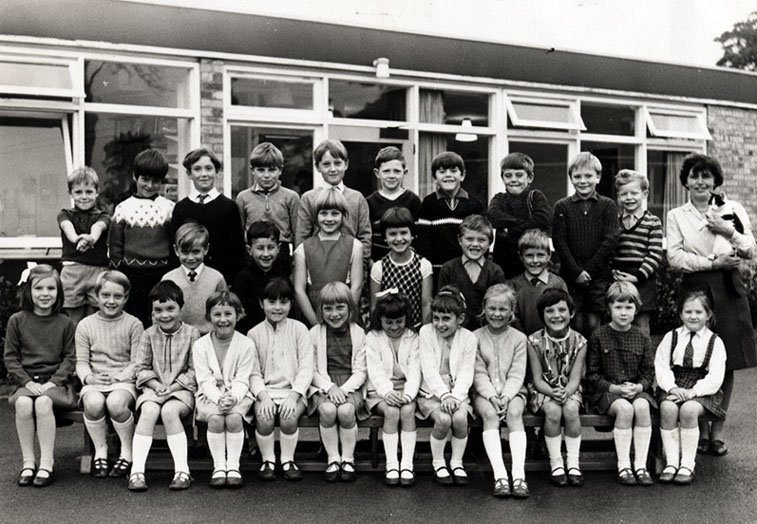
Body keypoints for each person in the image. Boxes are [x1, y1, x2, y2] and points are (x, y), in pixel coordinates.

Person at [666, 153, 756, 457]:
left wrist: (728, 230)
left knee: (726, 359)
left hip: (728, 289)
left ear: (715, 180)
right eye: (694, 176)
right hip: (697, 288)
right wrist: (710, 261)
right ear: (686, 182)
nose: (700, 182)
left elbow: (749, 249)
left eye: (706, 176)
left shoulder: (732, 209)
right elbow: (675, 258)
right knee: (697, 357)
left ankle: (717, 432)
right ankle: (699, 429)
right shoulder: (677, 215)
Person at [4, 264, 76, 488]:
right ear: (29, 291)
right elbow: (11, 358)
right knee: (24, 404)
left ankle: (46, 464)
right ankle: (28, 462)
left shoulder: (65, 322)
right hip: (27, 382)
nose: (45, 294)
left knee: (43, 403)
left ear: (58, 292)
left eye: (51, 289)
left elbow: (70, 358)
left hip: (56, 384)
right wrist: (25, 382)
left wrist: (53, 382)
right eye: (39, 288)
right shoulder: (17, 320)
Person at [128, 281, 200, 492]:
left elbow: (194, 370)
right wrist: (156, 384)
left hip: (181, 390)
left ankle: (182, 470)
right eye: (158, 310)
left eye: (170, 309)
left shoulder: (192, 334)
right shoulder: (148, 334)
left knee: (169, 411)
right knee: (148, 410)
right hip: (154, 387)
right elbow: (140, 367)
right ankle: (137, 471)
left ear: (181, 308)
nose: (164, 315)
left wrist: (174, 387)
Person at [586, 282, 656, 486]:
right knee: (625, 409)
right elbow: (592, 374)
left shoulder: (642, 337)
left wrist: (640, 387)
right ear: (609, 308)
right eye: (618, 307)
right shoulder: (599, 335)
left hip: (636, 389)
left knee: (642, 406)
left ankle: (640, 465)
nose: (623, 313)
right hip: (608, 391)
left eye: (629, 307)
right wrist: (614, 388)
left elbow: (649, 372)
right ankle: (624, 465)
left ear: (637, 309)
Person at [75, 271, 143, 478]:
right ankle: (101, 451)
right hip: (95, 380)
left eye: (117, 296)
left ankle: (127, 452)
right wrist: (89, 378)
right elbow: (82, 362)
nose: (111, 301)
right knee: (94, 403)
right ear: (97, 296)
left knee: (115, 403)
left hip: (123, 381)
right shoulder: (85, 325)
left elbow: (137, 362)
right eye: (105, 295)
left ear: (126, 298)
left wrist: (121, 377)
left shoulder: (134, 324)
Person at [655, 290, 726, 485]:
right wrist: (672, 388)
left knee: (688, 410)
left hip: (702, 389)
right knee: (668, 408)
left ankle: (687, 463)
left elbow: (715, 377)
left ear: (708, 315)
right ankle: (671, 462)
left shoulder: (715, 342)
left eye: (698, 312)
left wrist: (693, 392)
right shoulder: (672, 337)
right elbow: (661, 365)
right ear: (680, 314)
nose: (693, 316)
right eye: (688, 312)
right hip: (675, 385)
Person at [248, 278, 314, 481]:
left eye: (283, 302)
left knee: (288, 417)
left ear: (291, 304)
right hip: (266, 392)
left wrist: (294, 396)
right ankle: (268, 460)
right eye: (272, 302)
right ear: (262, 303)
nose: (277, 308)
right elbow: (253, 372)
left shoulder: (300, 330)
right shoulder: (254, 333)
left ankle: (287, 459)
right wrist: (263, 397)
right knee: (264, 417)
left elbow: (306, 368)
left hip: (293, 391)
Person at [552, 152, 619, 337]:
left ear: (598, 177)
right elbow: (559, 241)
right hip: (571, 275)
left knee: (593, 323)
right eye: (578, 176)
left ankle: (594, 365)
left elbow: (610, 239)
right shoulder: (562, 206)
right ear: (571, 179)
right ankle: (576, 364)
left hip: (597, 276)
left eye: (588, 176)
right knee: (575, 322)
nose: (583, 181)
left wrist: (588, 270)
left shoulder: (608, 205)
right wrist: (576, 272)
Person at [472, 284, 530, 498]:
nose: (497, 314)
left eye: (503, 309)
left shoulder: (519, 339)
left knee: (515, 413)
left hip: (513, 391)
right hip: (484, 393)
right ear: (484, 308)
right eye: (492, 308)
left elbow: (517, 372)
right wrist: (491, 396)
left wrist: (506, 395)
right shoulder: (474, 337)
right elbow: (478, 373)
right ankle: (500, 477)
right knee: (489, 415)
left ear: (511, 311)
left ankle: (519, 476)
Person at [526, 287, 587, 487]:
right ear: (542, 315)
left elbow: (575, 377)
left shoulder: (580, 341)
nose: (556, 316)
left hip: (570, 388)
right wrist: (553, 392)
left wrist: (566, 392)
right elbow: (537, 379)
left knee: (570, 410)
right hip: (544, 389)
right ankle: (556, 462)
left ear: (572, 313)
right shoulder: (534, 341)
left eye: (562, 310)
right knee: (552, 411)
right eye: (549, 311)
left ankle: (573, 462)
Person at [194, 291, 254, 489]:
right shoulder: (200, 345)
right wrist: (219, 398)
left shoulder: (246, 343)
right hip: (210, 394)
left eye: (228, 314)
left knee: (234, 418)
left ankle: (233, 466)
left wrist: (234, 398)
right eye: (217, 314)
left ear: (238, 315)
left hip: (239, 394)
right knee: (216, 418)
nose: (223, 320)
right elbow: (204, 380)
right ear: (209, 316)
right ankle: (219, 465)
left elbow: (243, 378)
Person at [417, 286, 477, 486]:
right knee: (443, 420)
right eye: (436, 318)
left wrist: (455, 396)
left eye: (446, 319)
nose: (440, 324)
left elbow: (467, 372)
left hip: (458, 393)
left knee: (460, 419)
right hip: (431, 393)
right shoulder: (426, 332)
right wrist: (444, 395)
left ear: (459, 319)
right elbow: (429, 369)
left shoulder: (469, 337)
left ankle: (457, 462)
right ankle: (438, 462)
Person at [308, 282, 367, 483]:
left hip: (350, 384)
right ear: (320, 310)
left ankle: (348, 458)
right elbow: (311, 369)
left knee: (345, 411)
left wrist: (342, 390)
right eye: (328, 308)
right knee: (327, 410)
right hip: (323, 383)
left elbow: (361, 371)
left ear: (350, 308)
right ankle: (333, 458)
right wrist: (329, 387)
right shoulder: (315, 333)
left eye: (340, 307)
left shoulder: (359, 333)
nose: (334, 314)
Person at [109, 149, 175, 326]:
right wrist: (118, 274)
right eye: (145, 179)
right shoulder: (123, 208)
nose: (150, 185)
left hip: (161, 273)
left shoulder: (168, 208)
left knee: (160, 317)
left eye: (156, 181)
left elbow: (173, 242)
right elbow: (115, 245)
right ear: (134, 177)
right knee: (135, 318)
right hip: (133, 274)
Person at [364, 291, 420, 487]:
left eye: (399, 321)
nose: (395, 327)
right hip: (379, 391)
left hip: (406, 389)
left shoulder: (413, 337)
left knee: (407, 410)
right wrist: (387, 392)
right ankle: (391, 463)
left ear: (406, 318)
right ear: (380, 319)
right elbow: (374, 370)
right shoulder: (373, 337)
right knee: (391, 412)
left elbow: (415, 371)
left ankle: (406, 463)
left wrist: (408, 395)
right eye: (389, 322)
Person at [171, 148, 246, 284]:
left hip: (220, 279)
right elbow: (174, 248)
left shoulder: (229, 207)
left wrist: (229, 282)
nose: (204, 174)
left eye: (208, 168)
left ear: (216, 172)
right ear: (189, 174)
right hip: (187, 279)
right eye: (197, 169)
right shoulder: (181, 208)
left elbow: (237, 251)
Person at [293, 188, 363, 326]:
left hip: (345, 316)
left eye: (335, 213)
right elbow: (299, 290)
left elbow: (357, 286)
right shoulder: (303, 249)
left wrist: (344, 319)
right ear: (315, 216)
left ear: (343, 216)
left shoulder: (355, 245)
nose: (329, 219)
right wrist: (315, 324)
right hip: (313, 315)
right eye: (323, 213)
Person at [295, 139, 371, 262]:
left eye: (337, 163)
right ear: (317, 167)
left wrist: (361, 264)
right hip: (317, 264)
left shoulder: (357, 198)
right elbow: (302, 237)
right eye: (326, 164)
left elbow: (365, 236)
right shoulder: (309, 198)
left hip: (350, 264)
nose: (333, 169)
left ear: (346, 164)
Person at [416, 151, 485, 280]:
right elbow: (423, 242)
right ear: (434, 177)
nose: (448, 175)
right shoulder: (428, 203)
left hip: (467, 268)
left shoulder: (474, 204)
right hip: (436, 269)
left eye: (453, 171)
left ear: (462, 175)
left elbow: (480, 237)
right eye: (442, 172)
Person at [611, 170, 663, 335]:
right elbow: (609, 250)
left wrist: (638, 276)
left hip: (642, 279)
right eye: (623, 194)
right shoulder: (614, 222)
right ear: (618, 196)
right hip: (618, 278)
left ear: (645, 194)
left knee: (641, 325)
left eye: (634, 193)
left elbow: (655, 254)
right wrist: (612, 271)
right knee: (617, 321)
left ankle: (644, 359)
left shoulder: (652, 222)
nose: (629, 198)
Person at [57, 166, 110, 325]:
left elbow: (98, 228)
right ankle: (75, 350)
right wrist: (77, 239)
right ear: (70, 193)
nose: (84, 197)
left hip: (98, 271)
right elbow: (68, 228)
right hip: (73, 271)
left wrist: (91, 239)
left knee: (97, 317)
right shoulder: (65, 214)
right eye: (78, 192)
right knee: (74, 319)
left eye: (88, 191)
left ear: (97, 192)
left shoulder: (103, 215)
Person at [487, 152, 553, 279]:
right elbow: (493, 215)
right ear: (502, 178)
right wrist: (528, 224)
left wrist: (510, 230)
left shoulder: (535, 197)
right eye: (508, 175)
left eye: (519, 175)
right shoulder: (499, 198)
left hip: (531, 263)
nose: (513, 180)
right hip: (504, 263)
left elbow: (544, 219)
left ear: (530, 178)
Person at [369, 206, 432, 329]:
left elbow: (426, 304)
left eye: (403, 233)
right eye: (392, 234)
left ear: (412, 235)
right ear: (385, 237)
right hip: (388, 330)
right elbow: (374, 306)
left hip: (415, 329)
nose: (399, 239)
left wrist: (425, 334)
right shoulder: (379, 267)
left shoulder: (423, 265)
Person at [236, 142, 299, 264]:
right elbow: (239, 233)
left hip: (281, 253)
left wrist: (297, 259)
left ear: (280, 170)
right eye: (260, 170)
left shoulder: (291, 197)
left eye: (271, 170)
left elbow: (297, 232)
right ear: (252, 170)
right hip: (253, 254)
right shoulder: (243, 197)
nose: (266, 175)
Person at [438, 215, 505, 328]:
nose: (475, 244)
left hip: (487, 332)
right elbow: (442, 304)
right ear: (460, 240)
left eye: (481, 240)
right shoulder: (448, 268)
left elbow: (500, 304)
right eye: (469, 239)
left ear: (489, 243)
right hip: (455, 331)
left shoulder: (495, 271)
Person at [162, 222, 227, 334]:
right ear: (176, 250)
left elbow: (224, 310)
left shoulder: (216, 278)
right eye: (185, 252)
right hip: (178, 337)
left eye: (196, 252)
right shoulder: (168, 279)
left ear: (206, 249)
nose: (190, 258)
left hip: (208, 337)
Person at [233, 220, 292, 334]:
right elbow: (240, 316)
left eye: (270, 247)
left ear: (278, 248)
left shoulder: (283, 275)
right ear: (249, 250)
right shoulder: (243, 279)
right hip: (251, 334)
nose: (266, 254)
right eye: (260, 248)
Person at [507, 229, 568, 336]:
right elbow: (513, 318)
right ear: (521, 257)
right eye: (529, 255)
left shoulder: (557, 283)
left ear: (549, 256)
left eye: (540, 255)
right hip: (522, 342)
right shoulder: (513, 285)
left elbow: (563, 315)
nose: (535, 260)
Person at [366, 146, 421, 261]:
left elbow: (418, 236)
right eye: (386, 171)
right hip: (378, 263)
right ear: (377, 173)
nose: (391, 176)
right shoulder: (369, 202)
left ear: (404, 172)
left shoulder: (413, 201)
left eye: (396, 171)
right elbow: (367, 236)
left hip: (407, 263)